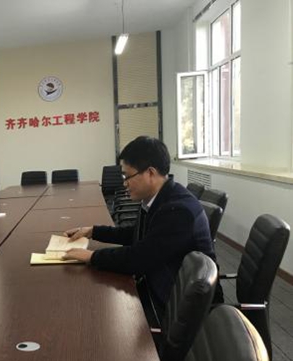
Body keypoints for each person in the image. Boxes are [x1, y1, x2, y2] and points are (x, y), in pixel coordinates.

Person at [62, 136, 219, 323]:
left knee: (98, 314)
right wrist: (92, 231)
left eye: (127, 176)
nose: (124, 183)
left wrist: (92, 257)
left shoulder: (178, 211)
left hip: (175, 308)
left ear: (150, 173)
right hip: (163, 284)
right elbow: (137, 234)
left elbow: (138, 259)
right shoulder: (161, 197)